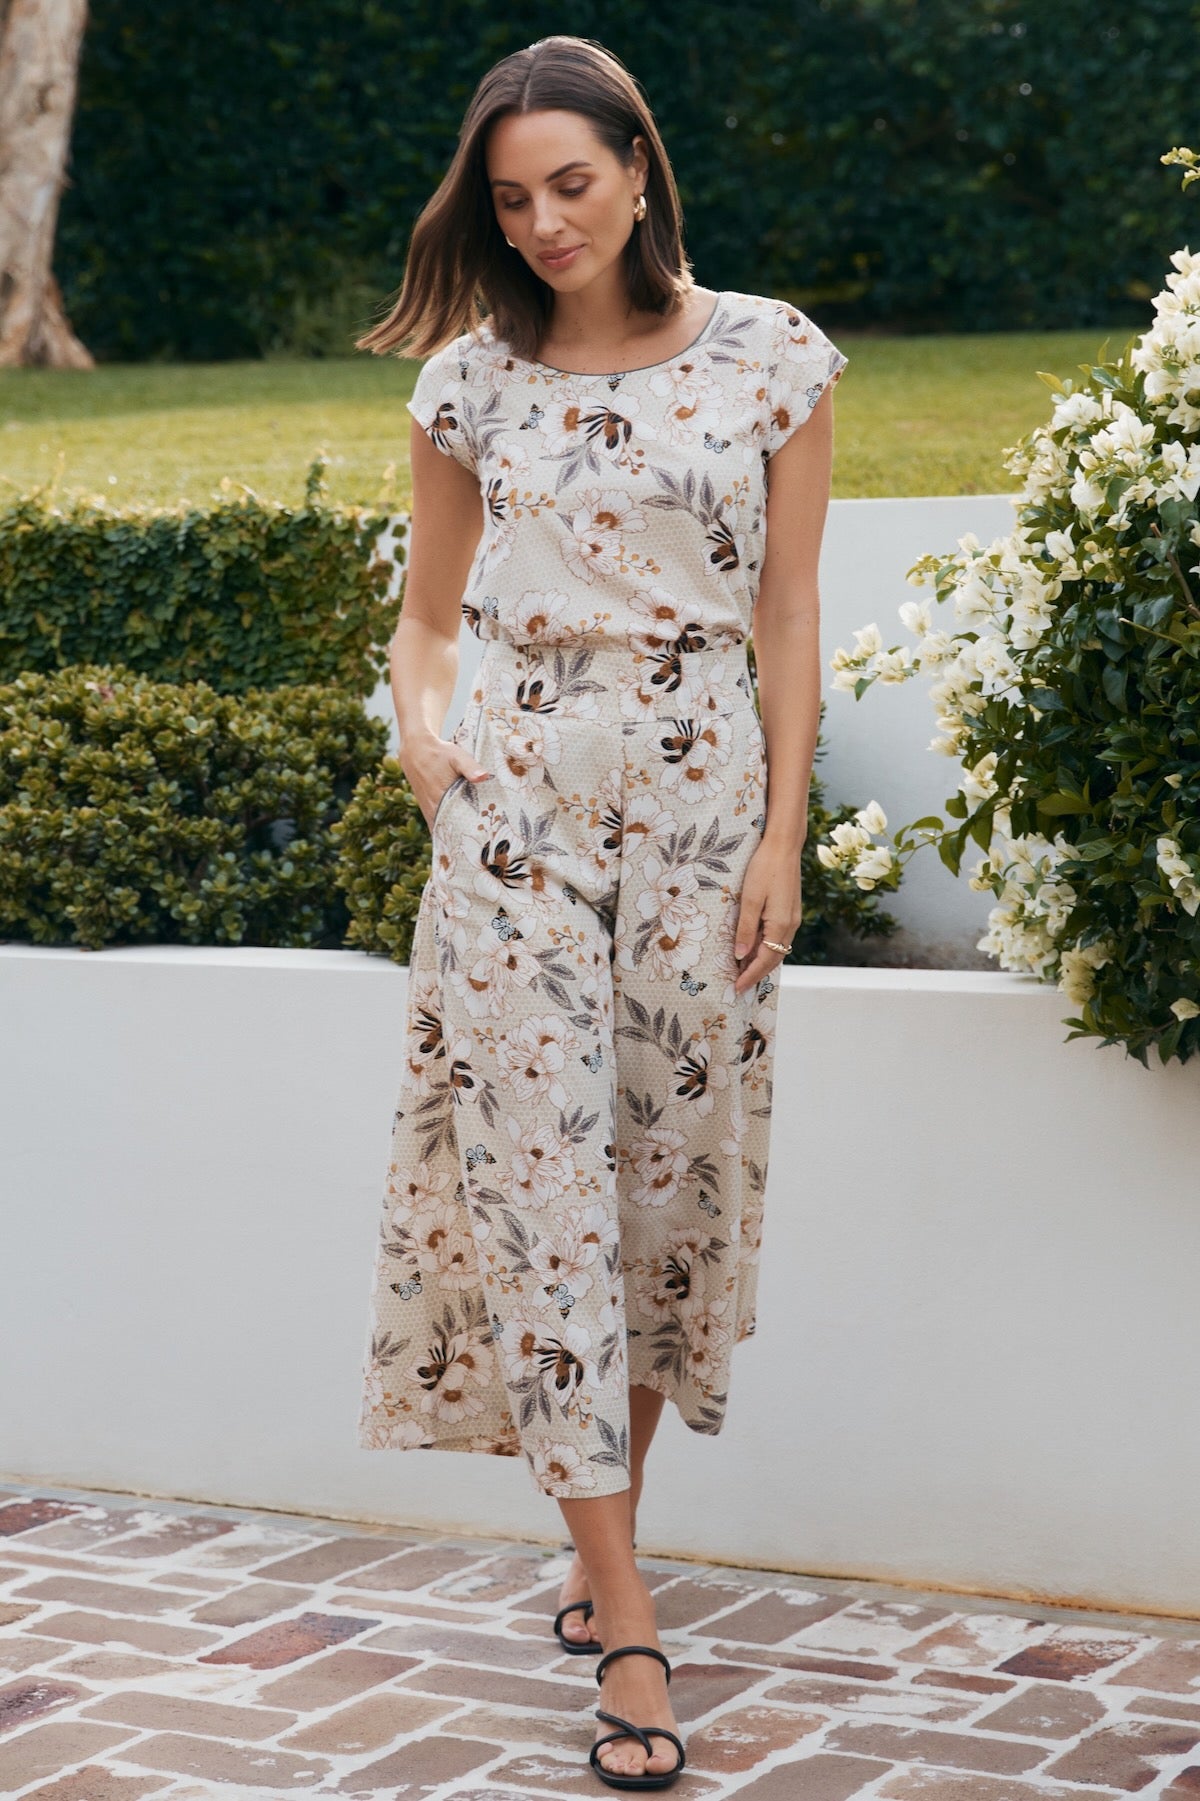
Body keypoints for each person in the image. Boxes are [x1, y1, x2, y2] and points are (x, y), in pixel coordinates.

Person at [355, 33, 845, 1791]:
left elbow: (788, 614)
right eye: (511, 199)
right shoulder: (469, 385)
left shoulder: (772, 357)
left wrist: (783, 835)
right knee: (542, 1183)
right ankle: (627, 1611)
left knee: (661, 1176)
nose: (544, 222)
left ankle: (603, 1534)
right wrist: (433, 756)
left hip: (705, 813)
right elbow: (426, 621)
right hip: (515, 818)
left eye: (571, 183)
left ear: (640, 168)